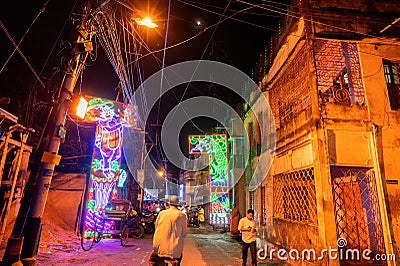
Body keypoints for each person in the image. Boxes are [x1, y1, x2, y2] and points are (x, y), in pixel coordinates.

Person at [149, 195, 187, 266]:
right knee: (178, 260)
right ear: (178, 204)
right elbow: (184, 233)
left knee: (153, 261)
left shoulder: (162, 213)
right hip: (175, 251)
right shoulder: (182, 215)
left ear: (169, 204)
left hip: (160, 249)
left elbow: (156, 227)